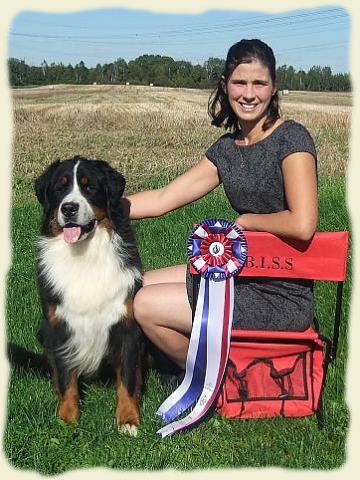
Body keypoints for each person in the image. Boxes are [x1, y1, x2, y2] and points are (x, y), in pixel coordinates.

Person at [126, 39, 318, 371]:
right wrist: (94, 207)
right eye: (239, 82)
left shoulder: (292, 139)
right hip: (242, 274)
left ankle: (210, 381)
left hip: (280, 293)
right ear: (224, 85)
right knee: (136, 285)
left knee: (144, 304)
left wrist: (247, 221)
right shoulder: (227, 150)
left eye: (259, 83)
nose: (248, 93)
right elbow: (162, 199)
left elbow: (303, 224)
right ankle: (211, 374)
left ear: (274, 88)